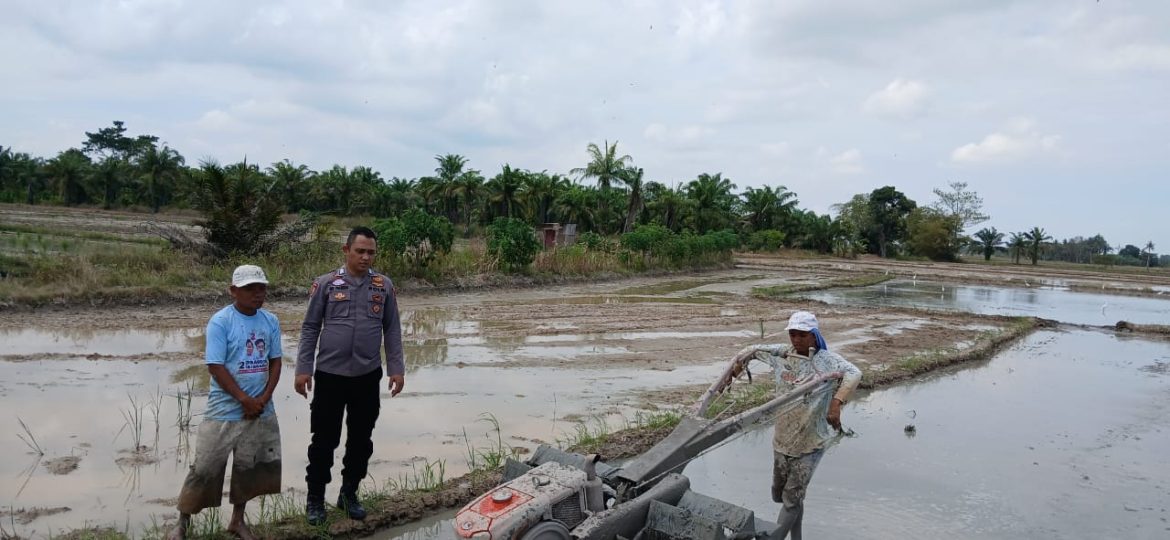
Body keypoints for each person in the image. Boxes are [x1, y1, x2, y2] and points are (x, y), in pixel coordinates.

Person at [297, 226, 405, 524]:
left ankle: (349, 494)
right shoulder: (327, 284)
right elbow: (309, 328)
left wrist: (396, 369)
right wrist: (303, 368)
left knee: (360, 440)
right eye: (360, 251)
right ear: (346, 251)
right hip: (330, 376)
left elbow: (392, 329)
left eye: (371, 252)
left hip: (367, 377)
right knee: (323, 440)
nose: (366, 257)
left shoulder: (383, 286)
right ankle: (315, 500)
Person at [169, 265, 283, 540]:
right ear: (233, 291)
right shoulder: (221, 321)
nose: (257, 294)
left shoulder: (270, 321)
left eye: (261, 288)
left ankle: (237, 521)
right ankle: (182, 522)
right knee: (205, 467)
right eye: (249, 289)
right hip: (224, 410)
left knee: (249, 468)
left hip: (259, 410)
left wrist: (263, 399)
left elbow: (276, 361)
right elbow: (215, 366)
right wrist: (244, 399)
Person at [731, 310, 861, 540]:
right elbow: (749, 351)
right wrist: (736, 369)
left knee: (791, 501)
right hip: (782, 439)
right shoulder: (782, 354)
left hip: (810, 443)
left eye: (802, 335)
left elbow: (854, 372)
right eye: (793, 334)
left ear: (814, 335)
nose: (797, 339)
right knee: (780, 497)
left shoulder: (826, 360)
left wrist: (836, 403)